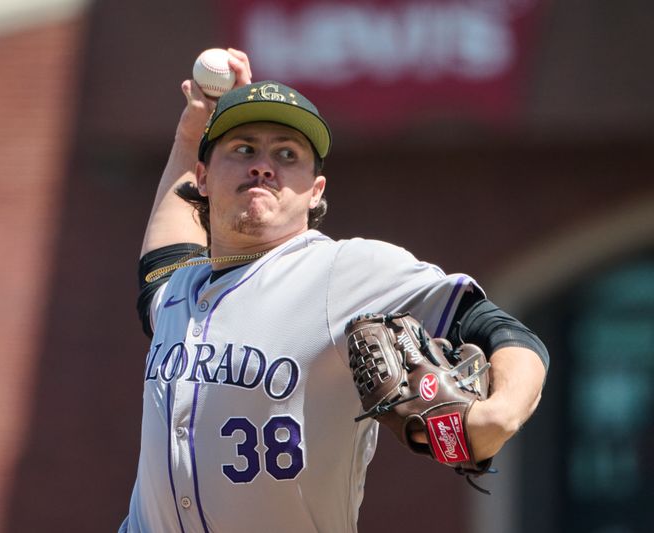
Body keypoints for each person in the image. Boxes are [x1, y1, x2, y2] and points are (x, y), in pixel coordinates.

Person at [121, 49, 548, 533]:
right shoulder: (180, 290)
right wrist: (191, 127)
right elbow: (162, 257)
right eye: (243, 150)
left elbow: (500, 329)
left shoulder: (342, 271)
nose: (263, 167)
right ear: (201, 178)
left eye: (287, 155)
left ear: (316, 189)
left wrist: (499, 416)